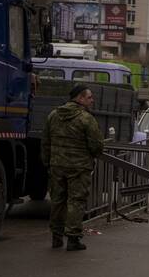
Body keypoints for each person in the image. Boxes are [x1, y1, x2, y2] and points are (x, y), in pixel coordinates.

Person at [42, 84, 104, 251]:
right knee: (76, 201)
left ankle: (56, 237)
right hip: (79, 167)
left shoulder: (53, 115)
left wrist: (48, 161)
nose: (92, 100)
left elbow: (46, 142)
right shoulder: (86, 118)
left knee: (57, 200)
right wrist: (93, 156)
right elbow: (96, 144)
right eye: (89, 97)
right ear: (80, 98)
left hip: (57, 165)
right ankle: (73, 239)